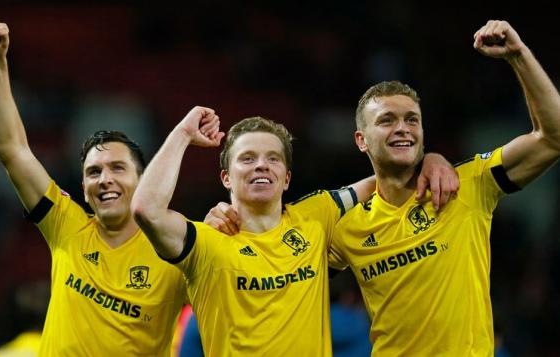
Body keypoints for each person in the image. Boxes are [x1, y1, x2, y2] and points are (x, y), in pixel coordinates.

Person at [131, 106, 457, 355]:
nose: (261, 165)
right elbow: (146, 209)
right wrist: (183, 133)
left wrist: (431, 160)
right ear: (226, 178)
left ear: (286, 178)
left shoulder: (317, 216)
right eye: (247, 158)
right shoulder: (204, 242)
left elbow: (386, 180)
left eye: (273, 158)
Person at [328, 20, 560, 355]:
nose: (403, 128)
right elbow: (282, 264)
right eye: (387, 120)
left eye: (412, 119)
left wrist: (520, 56)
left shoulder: (469, 184)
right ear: (361, 141)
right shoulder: (347, 229)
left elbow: (552, 138)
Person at [0, 22, 187, 356]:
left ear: (143, 180)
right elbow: (12, 150)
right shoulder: (67, 226)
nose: (104, 179)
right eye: (93, 172)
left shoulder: (178, 249)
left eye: (118, 168)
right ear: (84, 187)